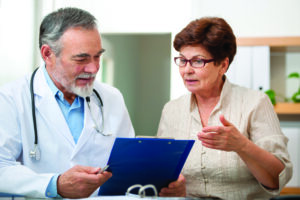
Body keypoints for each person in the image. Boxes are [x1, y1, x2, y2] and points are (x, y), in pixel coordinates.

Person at [0, 7, 135, 198]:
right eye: (82, 58)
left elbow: (128, 163)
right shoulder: (10, 99)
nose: (94, 68)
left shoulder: (112, 98)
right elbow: (1, 167)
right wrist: (54, 184)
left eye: (97, 56)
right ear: (48, 54)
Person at [157, 17, 293, 199]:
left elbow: (277, 179)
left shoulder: (256, 102)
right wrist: (174, 189)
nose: (187, 70)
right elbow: (162, 172)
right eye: (182, 60)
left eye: (197, 61)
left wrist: (242, 146)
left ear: (222, 65)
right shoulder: (171, 110)